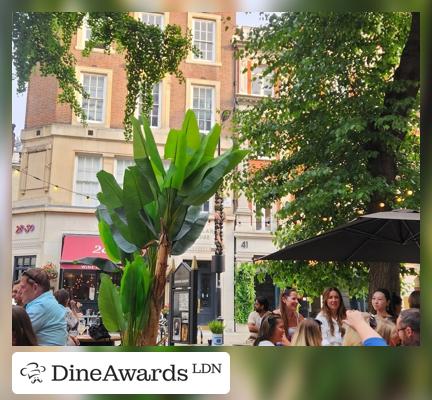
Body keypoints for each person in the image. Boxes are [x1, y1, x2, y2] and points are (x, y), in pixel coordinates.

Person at [19, 268, 67, 346]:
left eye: (22, 287)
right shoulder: (47, 301)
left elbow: (15, 334)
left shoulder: (41, 306)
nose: (19, 291)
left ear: (35, 287)